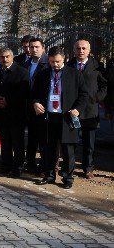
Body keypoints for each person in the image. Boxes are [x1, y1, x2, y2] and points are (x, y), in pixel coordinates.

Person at [33, 47, 88, 189]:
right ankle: (49, 175)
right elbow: (34, 93)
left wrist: (77, 109)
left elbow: (84, 95)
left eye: (57, 61)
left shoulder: (74, 74)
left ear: (63, 58)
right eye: (52, 62)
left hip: (66, 117)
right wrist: (35, 102)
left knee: (68, 150)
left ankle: (67, 178)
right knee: (48, 148)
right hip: (48, 117)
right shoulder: (43, 74)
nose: (55, 65)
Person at [66, 39, 107, 179]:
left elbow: (104, 85)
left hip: (90, 110)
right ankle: (68, 167)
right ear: (74, 50)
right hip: (74, 110)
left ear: (89, 51)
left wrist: (97, 98)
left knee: (89, 143)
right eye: (78, 48)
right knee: (71, 140)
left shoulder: (97, 66)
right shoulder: (69, 65)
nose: (81, 51)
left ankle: (88, 168)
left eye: (84, 48)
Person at [0, 47, 30, 178]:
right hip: (1, 114)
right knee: (5, 141)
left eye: (7, 56)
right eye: (2, 57)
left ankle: (18, 167)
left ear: (12, 57)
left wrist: (7, 100)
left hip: (16, 114)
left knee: (17, 142)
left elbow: (24, 93)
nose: (4, 59)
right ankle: (5, 165)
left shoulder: (22, 72)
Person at [24, 37, 49, 174]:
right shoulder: (27, 64)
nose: (33, 49)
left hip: (42, 106)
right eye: (31, 47)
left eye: (36, 47)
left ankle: (44, 166)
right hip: (29, 106)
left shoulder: (47, 63)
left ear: (43, 48)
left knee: (43, 139)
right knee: (31, 137)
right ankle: (30, 163)